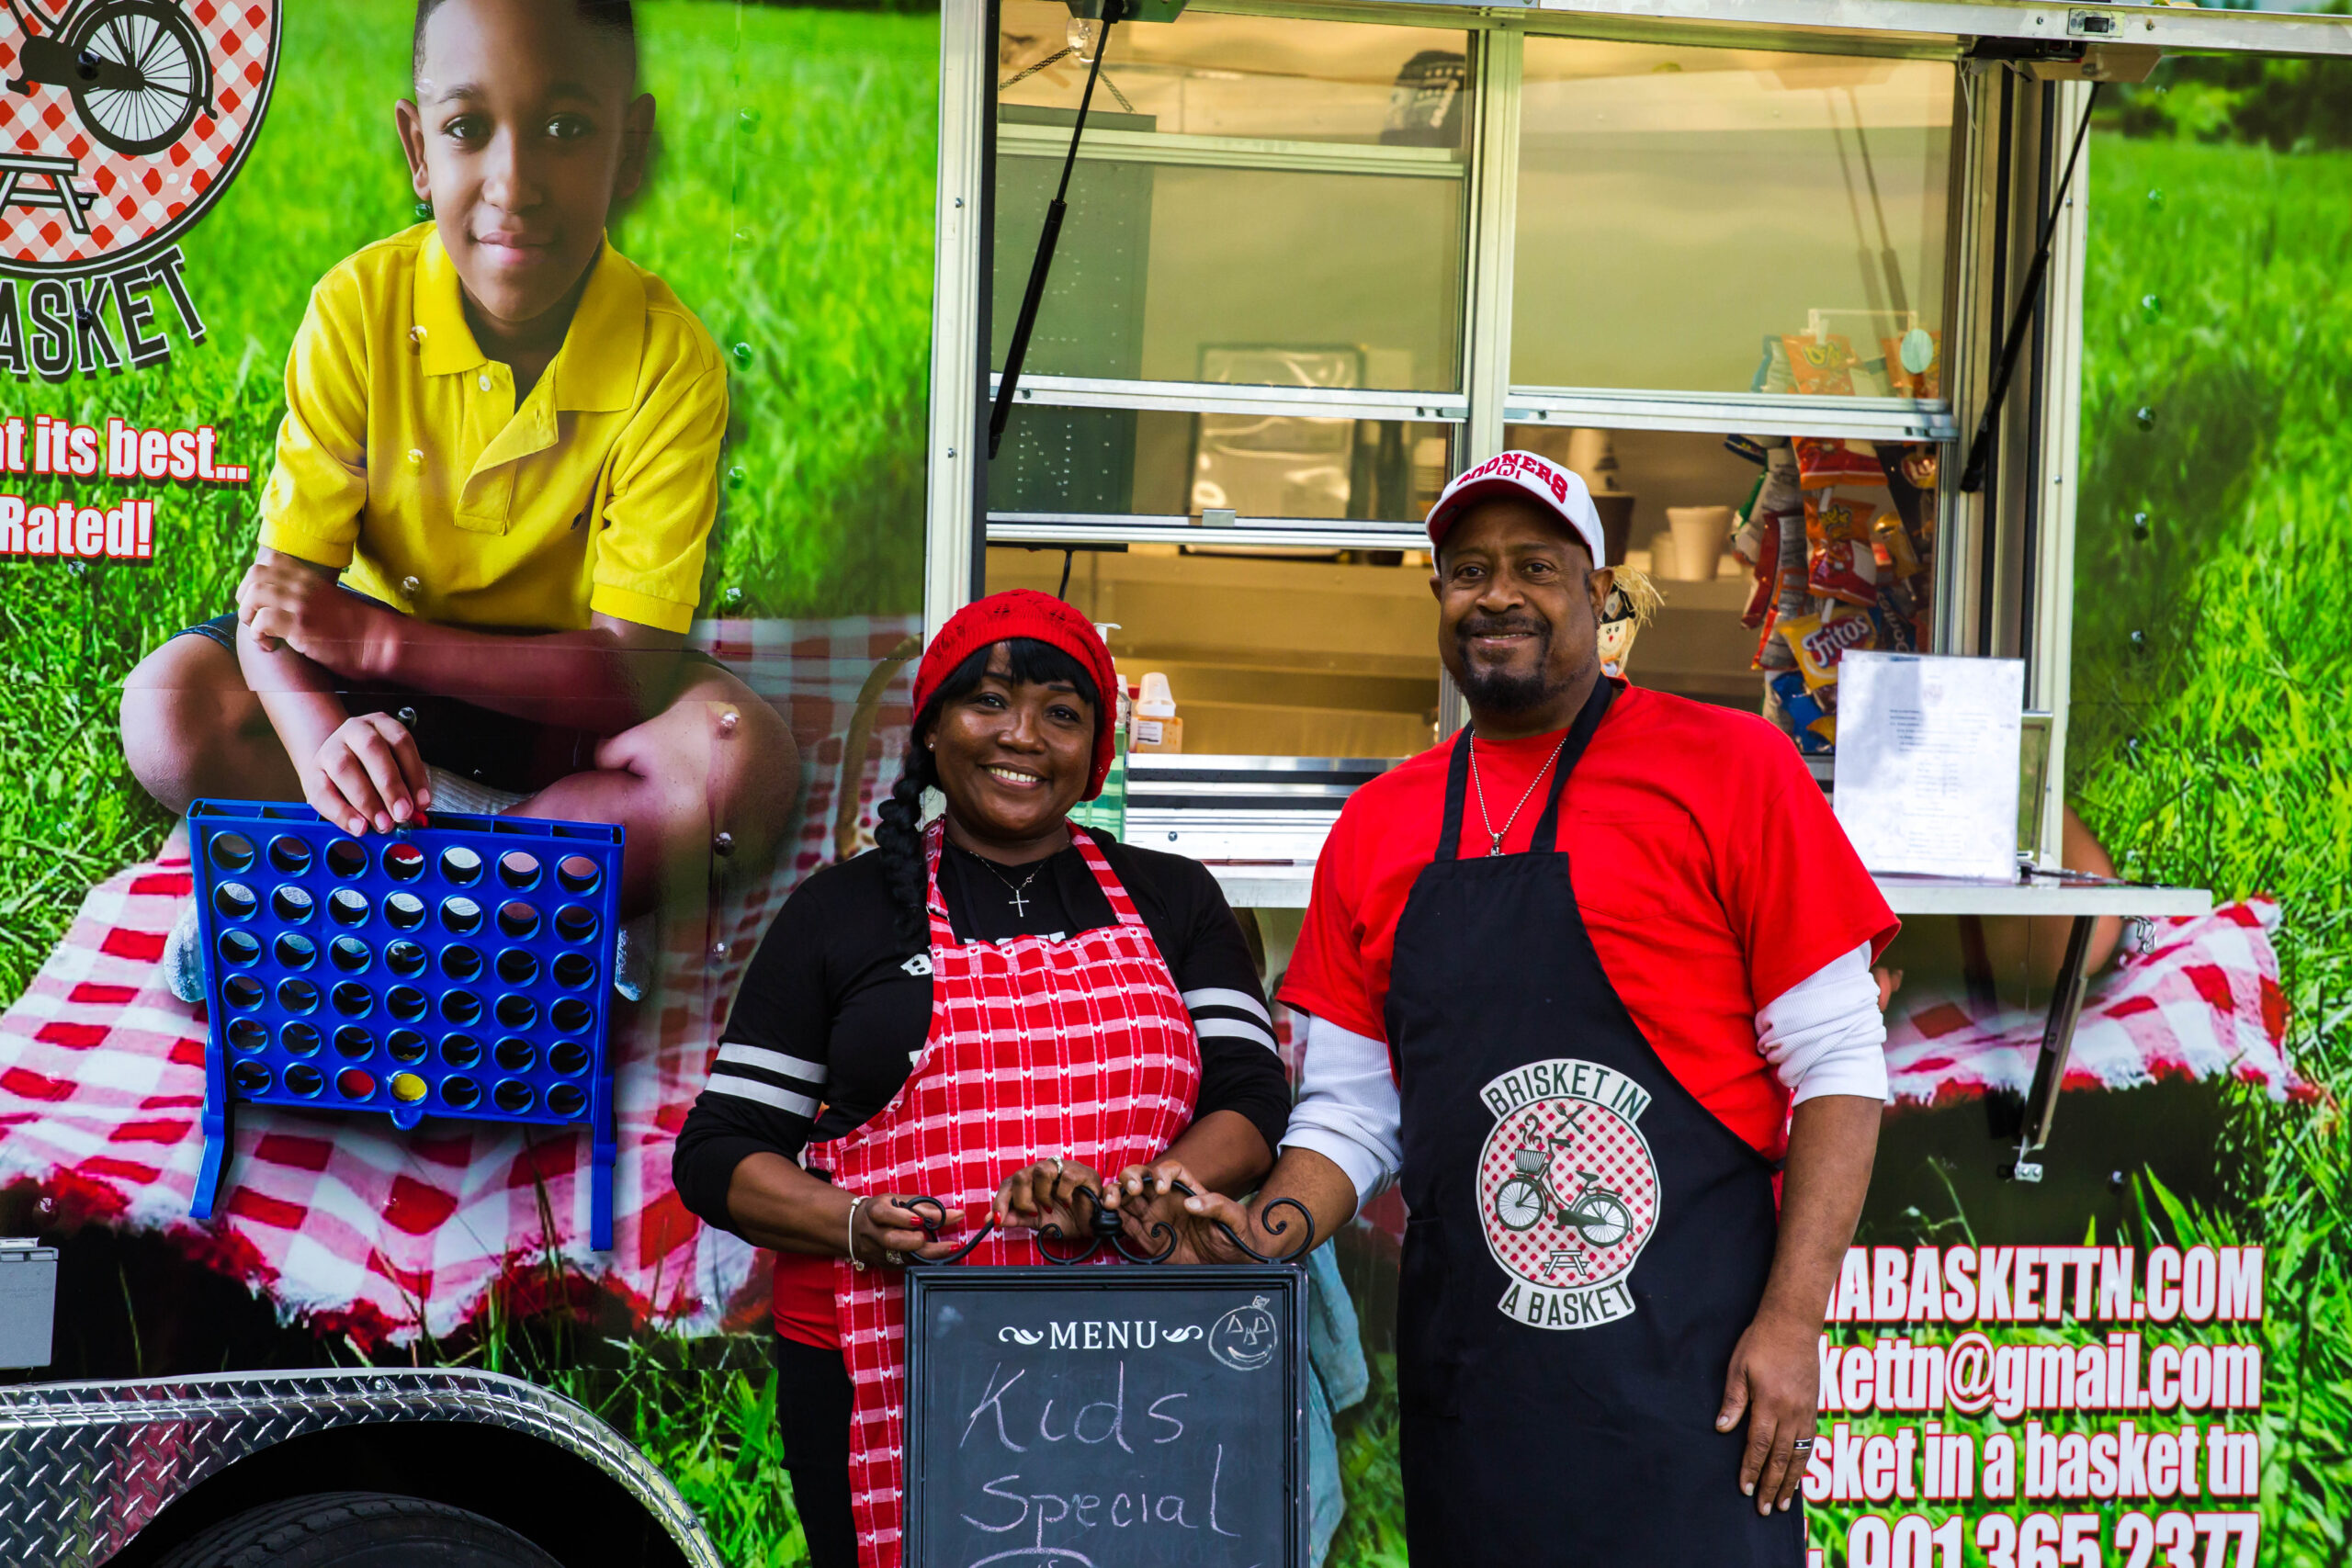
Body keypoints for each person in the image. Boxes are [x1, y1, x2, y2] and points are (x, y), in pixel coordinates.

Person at [1123, 452, 1900, 1565]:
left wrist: (1793, 1321)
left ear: (1599, 592)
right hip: (1477, 1391)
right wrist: (1262, 1238)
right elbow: (1350, 1116)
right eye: (1467, 569)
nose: (1498, 593)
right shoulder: (1378, 829)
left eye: (1536, 566)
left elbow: (1835, 1062)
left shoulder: (1731, 766)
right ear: (1437, 597)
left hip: (1694, 1376)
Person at [118, 0, 795, 998]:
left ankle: (380, 899)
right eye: (468, 127)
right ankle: (527, 893)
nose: (512, 185)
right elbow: (277, 612)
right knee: (167, 707)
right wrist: (322, 746)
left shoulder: (671, 358)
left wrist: (387, 645)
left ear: (632, 149)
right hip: (368, 700)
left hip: (558, 700)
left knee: (744, 764)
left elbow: (626, 675)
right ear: (417, 149)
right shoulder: (358, 306)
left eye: (566, 128)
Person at [670, 591, 1290, 1568]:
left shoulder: (1175, 898)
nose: (1022, 737)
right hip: (880, 1357)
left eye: (1061, 712)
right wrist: (851, 1222)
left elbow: (1251, 1100)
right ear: (931, 728)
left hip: (1137, 1359)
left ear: (1096, 752)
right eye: (989, 701)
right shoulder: (841, 915)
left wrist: (1132, 1201)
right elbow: (718, 1151)